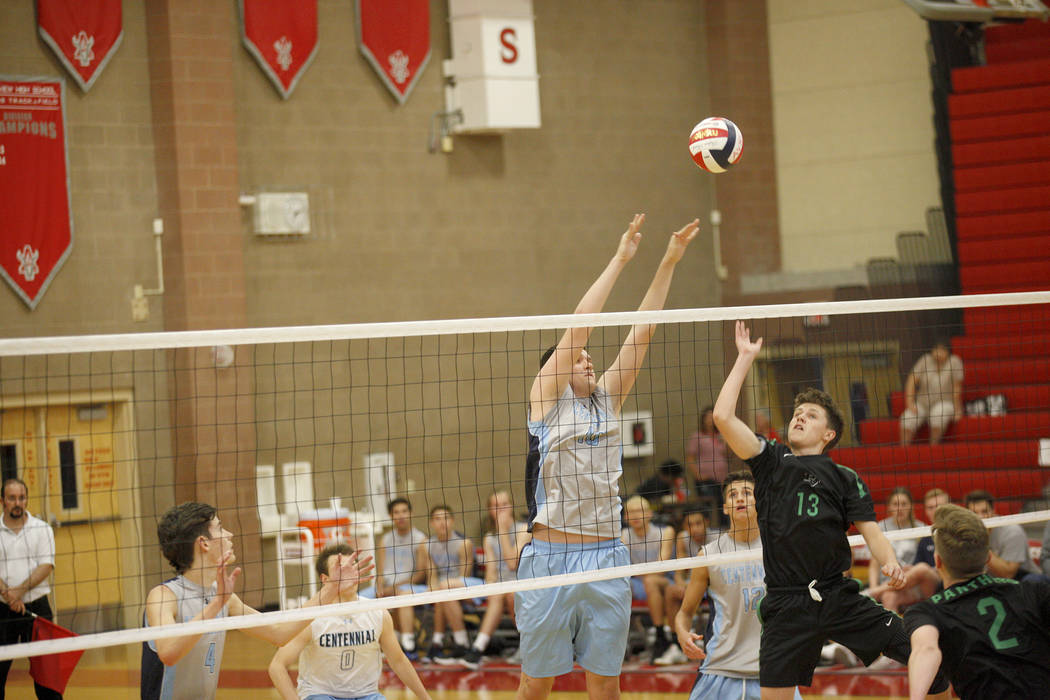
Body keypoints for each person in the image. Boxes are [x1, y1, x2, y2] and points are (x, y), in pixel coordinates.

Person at [712, 321, 949, 699]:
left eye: (811, 414)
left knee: (933, 666)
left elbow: (872, 532)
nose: (799, 416)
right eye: (797, 412)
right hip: (786, 603)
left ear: (829, 434)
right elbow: (723, 418)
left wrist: (890, 562)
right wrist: (743, 360)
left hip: (837, 595)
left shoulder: (843, 477)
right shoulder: (772, 459)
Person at [517, 213, 699, 700]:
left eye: (589, 356)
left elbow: (642, 332)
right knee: (536, 685)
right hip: (551, 559)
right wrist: (620, 259)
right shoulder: (545, 402)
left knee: (606, 687)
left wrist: (668, 262)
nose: (588, 358)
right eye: (578, 358)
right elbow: (579, 328)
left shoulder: (608, 399)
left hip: (606, 555)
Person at [142, 501, 372, 700]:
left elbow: (279, 633)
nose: (230, 535)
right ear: (204, 543)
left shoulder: (224, 598)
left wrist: (331, 590)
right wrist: (216, 604)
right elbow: (169, 653)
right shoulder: (163, 596)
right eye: (221, 528)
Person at [673, 472, 802, 700]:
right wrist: (682, 633)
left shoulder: (782, 550)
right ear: (725, 507)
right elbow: (684, 612)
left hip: (773, 672)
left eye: (747, 493)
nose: (740, 499)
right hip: (719, 669)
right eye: (733, 495)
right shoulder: (709, 555)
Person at [904, 504, 1050, 699]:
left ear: (937, 561)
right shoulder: (1032, 590)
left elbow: (926, 649)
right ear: (988, 557)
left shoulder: (927, 611)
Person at [269, 543, 433, 700]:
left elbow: (398, 661)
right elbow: (277, 666)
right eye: (340, 568)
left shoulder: (377, 613)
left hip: (367, 695)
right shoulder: (311, 617)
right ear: (325, 579)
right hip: (320, 694)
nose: (348, 572)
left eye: (352, 566)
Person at [0, 478, 60, 700]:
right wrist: (8, 595)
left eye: (22, 498)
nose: (18, 503)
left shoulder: (41, 529)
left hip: (37, 608)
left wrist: (18, 592)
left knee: (47, 677)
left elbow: (46, 566)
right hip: (3, 610)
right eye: (12, 498)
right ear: (2, 501)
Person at [462, 490, 530, 669]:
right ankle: (474, 648)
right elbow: (491, 573)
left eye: (504, 505)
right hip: (501, 587)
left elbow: (511, 563)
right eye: (495, 506)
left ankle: (527, 645)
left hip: (523, 583)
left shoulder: (523, 529)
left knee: (509, 594)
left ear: (512, 507)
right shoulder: (489, 538)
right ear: (489, 510)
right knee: (499, 593)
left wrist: (502, 531)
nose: (500, 510)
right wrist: (490, 587)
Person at [418, 505, 480, 663]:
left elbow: (464, 576)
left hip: (463, 585)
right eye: (437, 519)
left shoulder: (464, 544)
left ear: (452, 521)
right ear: (432, 523)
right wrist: (431, 591)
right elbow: (431, 576)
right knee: (442, 591)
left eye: (446, 518)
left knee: (444, 589)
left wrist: (440, 588)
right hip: (443, 590)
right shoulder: (426, 545)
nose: (442, 523)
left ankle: (441, 642)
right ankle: (451, 643)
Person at [621, 495, 676, 663]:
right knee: (613, 584)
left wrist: (637, 572)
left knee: (651, 581)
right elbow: (623, 568)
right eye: (631, 513)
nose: (636, 516)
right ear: (625, 517)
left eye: (640, 511)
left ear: (650, 514)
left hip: (664, 581)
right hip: (637, 583)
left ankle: (660, 635)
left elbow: (661, 568)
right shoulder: (624, 535)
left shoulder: (666, 531)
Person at [373, 497, 427, 658]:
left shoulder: (420, 539)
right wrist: (380, 587)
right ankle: (387, 642)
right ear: (391, 516)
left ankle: (408, 644)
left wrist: (396, 588)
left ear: (411, 513)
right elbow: (380, 572)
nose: (401, 515)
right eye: (396, 512)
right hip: (389, 585)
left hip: (410, 585)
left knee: (402, 595)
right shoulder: (385, 540)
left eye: (404, 511)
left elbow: (420, 575)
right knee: (363, 599)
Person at [655, 509, 708, 666]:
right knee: (671, 591)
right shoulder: (683, 538)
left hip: (710, 584)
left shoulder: (717, 537)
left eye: (698, 523)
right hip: (692, 584)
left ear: (707, 523)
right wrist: (681, 584)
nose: (695, 528)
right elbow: (679, 572)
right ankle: (676, 645)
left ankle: (704, 639)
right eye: (690, 524)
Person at [865, 488, 925, 612]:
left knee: (889, 596)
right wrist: (873, 587)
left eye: (904, 504)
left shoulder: (921, 528)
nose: (900, 508)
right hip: (887, 584)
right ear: (889, 507)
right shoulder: (880, 527)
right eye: (895, 504)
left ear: (911, 506)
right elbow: (874, 565)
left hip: (910, 584)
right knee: (889, 596)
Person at [964, 489, 1041, 581]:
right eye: (974, 513)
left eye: (984, 511)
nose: (980, 517)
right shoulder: (964, 533)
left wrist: (980, 545)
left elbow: (1008, 575)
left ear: (993, 511)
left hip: (1021, 581)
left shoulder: (1012, 532)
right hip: (989, 583)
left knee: (1033, 579)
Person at [899, 339, 963, 445]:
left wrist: (957, 409)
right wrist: (909, 403)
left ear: (948, 351)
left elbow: (957, 388)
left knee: (938, 416)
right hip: (922, 403)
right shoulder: (925, 360)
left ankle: (932, 448)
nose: (938, 353)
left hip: (945, 402)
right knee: (907, 419)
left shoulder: (955, 361)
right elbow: (911, 380)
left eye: (942, 350)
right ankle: (903, 451)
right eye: (936, 349)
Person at [687, 407, 729, 526]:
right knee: (707, 508)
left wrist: (726, 441)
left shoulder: (721, 435)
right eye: (707, 417)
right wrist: (697, 475)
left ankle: (724, 529)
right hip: (706, 480)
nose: (710, 420)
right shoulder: (697, 436)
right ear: (703, 419)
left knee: (723, 507)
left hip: (722, 479)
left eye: (712, 417)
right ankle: (707, 530)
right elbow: (690, 458)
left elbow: (728, 454)